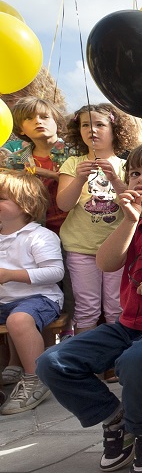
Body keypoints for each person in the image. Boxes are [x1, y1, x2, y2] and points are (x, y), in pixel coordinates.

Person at [37, 142, 142, 473]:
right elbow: (106, 262)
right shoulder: (134, 224)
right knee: (52, 362)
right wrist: (128, 221)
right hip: (128, 325)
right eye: (136, 172)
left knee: (135, 361)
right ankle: (115, 417)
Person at [57, 104, 138, 334]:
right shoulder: (73, 164)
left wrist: (115, 179)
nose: (92, 129)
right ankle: (87, 367)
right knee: (86, 310)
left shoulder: (126, 166)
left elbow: (134, 208)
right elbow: (64, 204)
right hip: (81, 248)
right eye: (85, 124)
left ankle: (115, 367)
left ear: (115, 130)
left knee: (116, 308)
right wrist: (79, 180)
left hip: (117, 250)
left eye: (100, 124)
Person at [0, 173, 64, 414]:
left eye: (1, 198)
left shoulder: (39, 236)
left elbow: (55, 272)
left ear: (25, 205)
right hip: (5, 300)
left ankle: (35, 378)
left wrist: (10, 275)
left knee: (18, 319)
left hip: (41, 298)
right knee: (15, 317)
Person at [3, 96, 73, 233]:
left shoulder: (75, 153)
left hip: (76, 231)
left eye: (45, 117)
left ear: (57, 123)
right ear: (21, 129)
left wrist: (49, 174)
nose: (38, 121)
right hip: (33, 233)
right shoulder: (15, 160)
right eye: (29, 118)